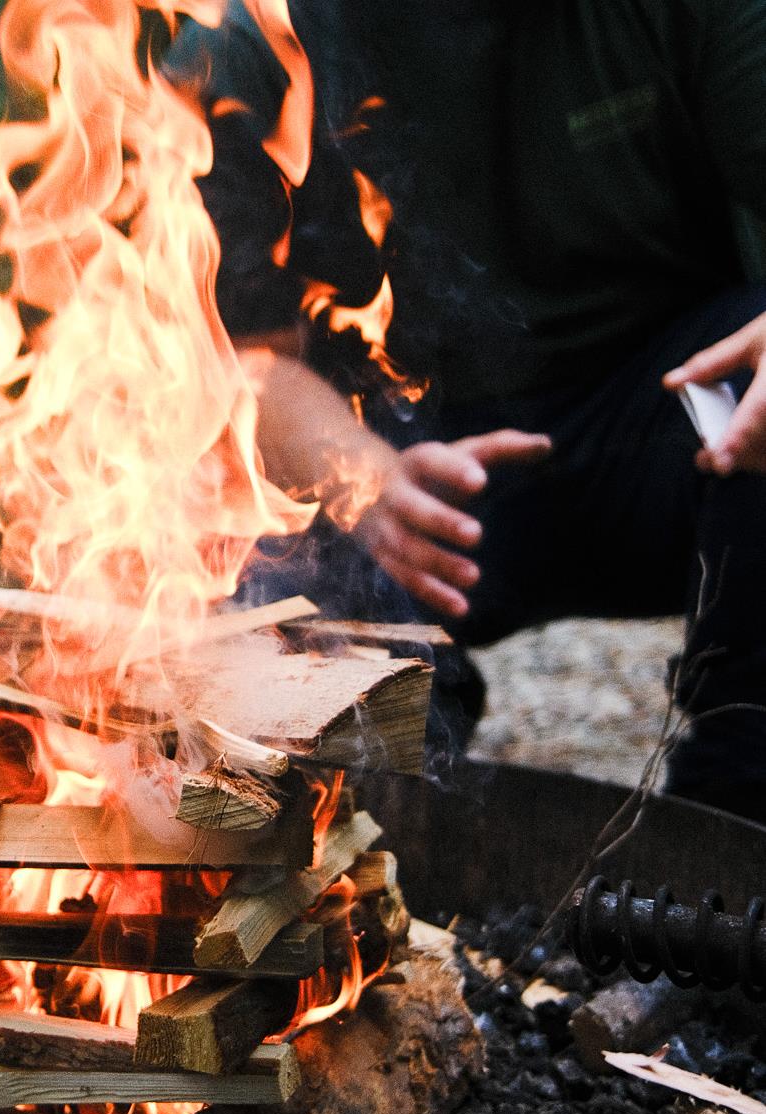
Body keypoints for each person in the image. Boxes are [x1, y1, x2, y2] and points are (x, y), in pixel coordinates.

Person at [169, 0, 766, 819]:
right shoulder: (252, 44)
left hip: (678, 424)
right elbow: (240, 356)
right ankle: (383, 843)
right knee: (236, 551)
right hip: (402, 463)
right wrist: (359, 476)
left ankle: (727, 839)